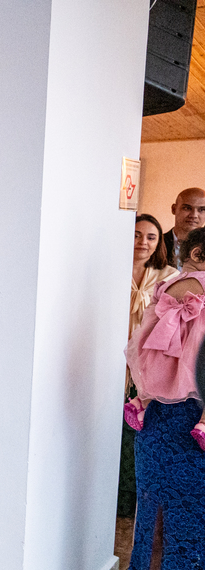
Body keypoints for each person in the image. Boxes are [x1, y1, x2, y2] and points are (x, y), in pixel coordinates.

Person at [118, 226, 205, 570]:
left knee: (154, 542)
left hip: (159, 429)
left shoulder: (166, 291)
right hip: (192, 433)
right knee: (189, 553)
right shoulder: (196, 295)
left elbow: (142, 368)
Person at [118, 214, 177, 516]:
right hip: (107, 353)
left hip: (144, 360)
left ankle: (128, 500)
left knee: (135, 426)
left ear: (159, 242)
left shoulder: (169, 275)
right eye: (137, 234)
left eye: (151, 237)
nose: (143, 242)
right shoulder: (113, 266)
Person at [163, 187, 205, 270]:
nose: (194, 215)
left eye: (202, 210)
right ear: (174, 209)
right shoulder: (156, 244)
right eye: (187, 208)